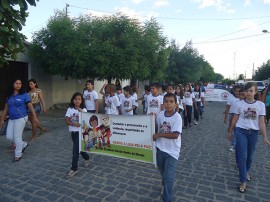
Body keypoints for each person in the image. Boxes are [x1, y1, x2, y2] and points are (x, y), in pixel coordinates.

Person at [228, 82, 270, 193]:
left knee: (250, 157)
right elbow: (235, 119)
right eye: (246, 91)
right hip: (241, 132)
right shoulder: (239, 104)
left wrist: (265, 137)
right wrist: (230, 132)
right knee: (243, 156)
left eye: (251, 91)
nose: (248, 93)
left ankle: (246, 171)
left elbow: (261, 122)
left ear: (255, 92)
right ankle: (243, 181)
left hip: (254, 133)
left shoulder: (260, 105)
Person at [153, 93, 182, 202]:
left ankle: (167, 198)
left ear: (175, 104)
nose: (168, 104)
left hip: (172, 152)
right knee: (163, 172)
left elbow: (175, 135)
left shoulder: (177, 117)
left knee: (169, 177)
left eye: (171, 102)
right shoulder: (160, 114)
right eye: (166, 101)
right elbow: (156, 128)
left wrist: (159, 135)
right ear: (163, 103)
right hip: (160, 149)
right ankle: (164, 183)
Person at [0, 79, 38, 162]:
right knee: (9, 136)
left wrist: (35, 117)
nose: (18, 85)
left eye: (20, 83)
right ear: (12, 84)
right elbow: (5, 109)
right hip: (12, 118)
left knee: (17, 137)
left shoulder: (24, 95)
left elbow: (30, 106)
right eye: (16, 83)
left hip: (21, 117)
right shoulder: (9, 96)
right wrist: (2, 120)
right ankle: (23, 144)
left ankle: (18, 154)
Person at [65, 92, 90, 178]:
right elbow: (67, 121)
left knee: (75, 150)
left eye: (79, 99)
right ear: (73, 100)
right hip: (73, 132)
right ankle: (87, 158)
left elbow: (86, 122)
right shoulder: (70, 109)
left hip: (80, 133)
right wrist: (73, 124)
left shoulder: (84, 110)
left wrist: (81, 112)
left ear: (82, 100)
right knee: (80, 149)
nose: (77, 101)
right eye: (75, 99)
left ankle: (74, 169)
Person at [224, 86, 241, 151]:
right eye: (236, 91)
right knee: (233, 129)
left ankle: (234, 144)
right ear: (233, 91)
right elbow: (227, 108)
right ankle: (233, 144)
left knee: (237, 130)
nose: (237, 92)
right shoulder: (230, 97)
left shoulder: (242, 98)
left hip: (240, 116)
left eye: (239, 91)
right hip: (232, 114)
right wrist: (225, 117)